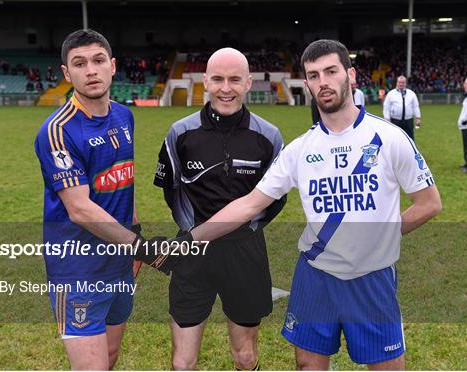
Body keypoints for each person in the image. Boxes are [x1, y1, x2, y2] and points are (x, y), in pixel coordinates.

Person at [176, 40, 442, 370]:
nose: (323, 82)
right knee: (308, 365)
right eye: (314, 76)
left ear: (351, 75)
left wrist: (384, 236)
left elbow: (429, 203)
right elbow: (248, 205)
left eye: (331, 72)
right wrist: (190, 239)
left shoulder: (388, 138)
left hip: (372, 277)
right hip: (316, 276)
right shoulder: (300, 149)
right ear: (307, 84)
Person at [34, 29, 165, 370]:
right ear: (66, 73)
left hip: (118, 262)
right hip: (77, 268)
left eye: (97, 60)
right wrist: (143, 247)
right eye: (79, 64)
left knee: (108, 358)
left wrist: (133, 234)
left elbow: (124, 180)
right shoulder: (58, 130)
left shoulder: (124, 116)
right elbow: (79, 209)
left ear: (112, 66)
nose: (90, 70)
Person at [152, 47, 286, 370]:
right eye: (218, 79)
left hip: (245, 253)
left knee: (245, 356)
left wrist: (246, 229)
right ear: (206, 82)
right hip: (191, 252)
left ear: (249, 83)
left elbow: (275, 200)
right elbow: (171, 191)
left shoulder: (269, 137)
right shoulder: (180, 133)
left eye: (235, 80)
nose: (226, 88)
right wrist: (191, 230)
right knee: (183, 362)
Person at [383, 76, 421, 140]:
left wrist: (418, 118)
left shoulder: (411, 94)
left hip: (408, 120)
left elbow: (415, 106)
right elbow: (386, 107)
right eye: (399, 82)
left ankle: (409, 150)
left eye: (403, 82)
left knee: (410, 138)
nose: (401, 84)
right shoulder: (391, 94)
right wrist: (387, 119)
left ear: (405, 83)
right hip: (395, 120)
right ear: (396, 83)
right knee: (395, 138)